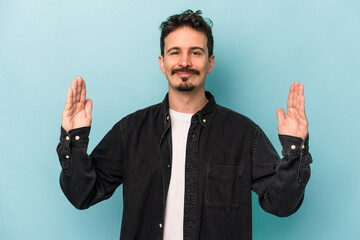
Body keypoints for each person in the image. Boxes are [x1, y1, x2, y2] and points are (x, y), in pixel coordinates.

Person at [57, 10, 312, 240]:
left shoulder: (244, 134)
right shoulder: (130, 131)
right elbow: (83, 194)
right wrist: (74, 139)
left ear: (210, 62)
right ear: (162, 62)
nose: (185, 62)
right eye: (175, 52)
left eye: (195, 52)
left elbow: (281, 205)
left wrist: (294, 151)